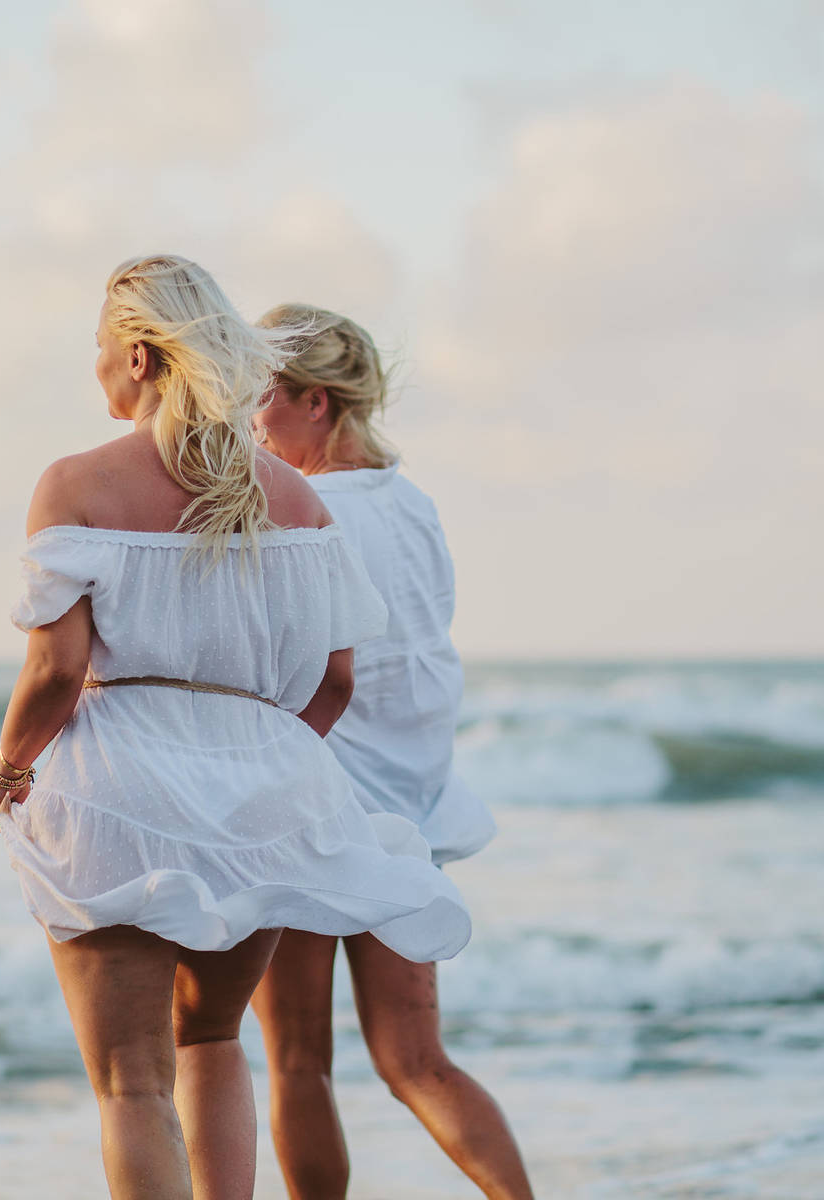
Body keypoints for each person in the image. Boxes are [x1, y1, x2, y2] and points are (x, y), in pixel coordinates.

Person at [0, 258, 471, 1200]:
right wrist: (259, 759)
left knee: (131, 1080)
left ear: (136, 354)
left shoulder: (77, 483)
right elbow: (335, 681)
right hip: (263, 785)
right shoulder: (295, 497)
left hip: (118, 789)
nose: (96, 371)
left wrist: (9, 768)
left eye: (98, 351)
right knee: (211, 1040)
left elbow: (55, 670)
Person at [249, 304, 532, 1200]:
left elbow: (283, 663)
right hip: (412, 807)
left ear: (316, 402)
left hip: (320, 807)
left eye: (261, 399)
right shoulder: (414, 506)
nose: (248, 420)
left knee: (299, 1063)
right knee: (417, 1061)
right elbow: (420, 652)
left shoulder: (300, 510)